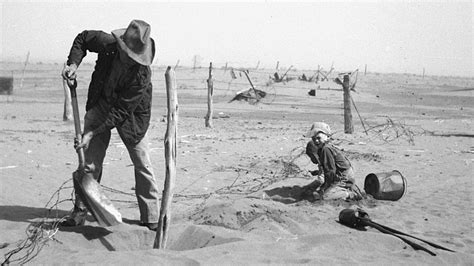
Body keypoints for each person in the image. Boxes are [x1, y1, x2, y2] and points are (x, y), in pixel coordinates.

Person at [61, 20, 160, 230]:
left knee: (143, 163)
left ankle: (151, 217)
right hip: (101, 103)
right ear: (121, 45)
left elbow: (121, 111)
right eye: (126, 53)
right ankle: (80, 210)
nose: (128, 59)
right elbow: (83, 37)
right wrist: (73, 64)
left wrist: (91, 132)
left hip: (132, 114)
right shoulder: (107, 44)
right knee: (89, 162)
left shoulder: (141, 75)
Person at [303, 122, 361, 201]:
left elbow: (330, 171)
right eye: (314, 139)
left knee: (325, 196)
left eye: (318, 138)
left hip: (344, 177)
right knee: (321, 191)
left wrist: (324, 188)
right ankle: (345, 188)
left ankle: (351, 194)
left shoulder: (326, 149)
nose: (316, 141)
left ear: (326, 137)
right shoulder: (325, 147)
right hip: (341, 175)